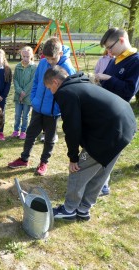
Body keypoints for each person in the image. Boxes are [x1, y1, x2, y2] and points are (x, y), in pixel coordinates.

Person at [43, 66, 136, 221]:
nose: (51, 92)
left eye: (49, 88)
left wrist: (73, 157)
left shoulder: (66, 92)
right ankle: (83, 209)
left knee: (79, 169)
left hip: (109, 130)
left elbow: (72, 128)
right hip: (126, 125)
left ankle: (69, 209)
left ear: (55, 82)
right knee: (101, 169)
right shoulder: (79, 83)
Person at [8, 37, 76, 176]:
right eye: (47, 58)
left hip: (52, 112)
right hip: (38, 108)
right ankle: (24, 158)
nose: (49, 61)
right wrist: (34, 99)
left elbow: (70, 92)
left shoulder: (68, 68)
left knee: (49, 139)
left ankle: (44, 162)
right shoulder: (43, 63)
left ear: (60, 54)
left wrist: (58, 108)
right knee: (30, 134)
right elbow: (37, 82)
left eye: (52, 59)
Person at [95, 27, 139, 195]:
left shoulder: (135, 61)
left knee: (108, 151)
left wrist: (109, 78)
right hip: (105, 112)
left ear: (121, 40)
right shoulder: (115, 59)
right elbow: (105, 81)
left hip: (117, 116)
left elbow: (129, 91)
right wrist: (98, 80)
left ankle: (103, 186)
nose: (108, 51)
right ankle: (100, 182)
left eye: (110, 47)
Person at [11, 46, 37, 140]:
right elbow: (15, 80)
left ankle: (23, 131)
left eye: (27, 56)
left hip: (28, 96)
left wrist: (24, 92)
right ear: (21, 55)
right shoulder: (18, 66)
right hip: (18, 95)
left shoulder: (33, 67)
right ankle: (15, 130)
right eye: (24, 56)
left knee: (25, 115)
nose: (25, 59)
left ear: (31, 56)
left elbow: (32, 82)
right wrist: (19, 91)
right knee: (17, 115)